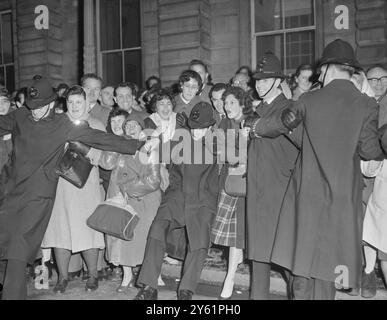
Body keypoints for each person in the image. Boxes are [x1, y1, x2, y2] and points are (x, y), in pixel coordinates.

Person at [246, 39, 387, 300]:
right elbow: (370, 150)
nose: (319, 74)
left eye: (321, 70)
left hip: (306, 196)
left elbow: (281, 122)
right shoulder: (367, 104)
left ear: (329, 68)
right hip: (342, 199)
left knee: (302, 268)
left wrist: (255, 128)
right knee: (327, 271)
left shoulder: (310, 99)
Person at [0, 77, 151, 300]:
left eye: (39, 107)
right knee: (6, 243)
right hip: (9, 192)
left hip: (37, 197)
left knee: (18, 250)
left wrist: (136, 145)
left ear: (51, 104)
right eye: (31, 106)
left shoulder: (62, 125)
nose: (34, 112)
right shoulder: (21, 115)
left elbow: (97, 138)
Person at [134, 101, 219, 300]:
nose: (196, 132)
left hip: (202, 201)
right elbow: (158, 148)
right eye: (193, 128)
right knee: (157, 230)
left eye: (201, 129)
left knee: (198, 244)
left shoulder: (218, 145)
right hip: (177, 197)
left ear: (210, 127)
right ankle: (148, 287)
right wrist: (154, 142)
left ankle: (186, 290)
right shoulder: (181, 142)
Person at [243, 52, 300, 300]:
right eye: (258, 81)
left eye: (266, 81)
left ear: (279, 81)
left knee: (286, 256)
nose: (260, 85)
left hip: (280, 191)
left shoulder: (288, 107)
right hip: (258, 190)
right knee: (259, 254)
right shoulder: (261, 108)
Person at [41, 86, 107, 293]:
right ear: (65, 103)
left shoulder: (96, 124)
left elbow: (105, 158)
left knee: (88, 229)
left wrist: (84, 148)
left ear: (87, 103)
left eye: (79, 102)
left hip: (86, 185)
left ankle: (93, 275)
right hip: (60, 185)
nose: (75, 106)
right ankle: (62, 277)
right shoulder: (57, 124)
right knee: (60, 230)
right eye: (71, 102)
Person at [99, 115, 162, 293]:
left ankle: (150, 275)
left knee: (143, 238)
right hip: (119, 198)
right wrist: (114, 144)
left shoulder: (149, 147)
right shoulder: (119, 145)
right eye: (127, 125)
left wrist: (128, 189)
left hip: (143, 198)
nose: (130, 128)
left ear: (142, 128)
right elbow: (106, 163)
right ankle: (127, 275)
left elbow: (154, 180)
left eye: (135, 125)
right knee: (121, 238)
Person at [211, 86, 249, 299]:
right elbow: (220, 152)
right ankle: (230, 276)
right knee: (234, 233)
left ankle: (232, 274)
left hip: (251, 182)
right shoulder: (225, 123)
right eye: (226, 103)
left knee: (243, 231)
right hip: (231, 182)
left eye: (232, 102)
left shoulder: (252, 121)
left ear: (242, 103)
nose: (227, 107)